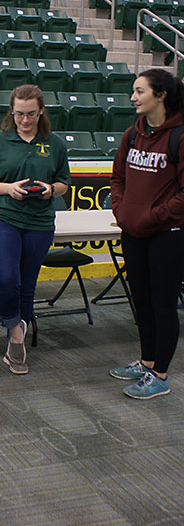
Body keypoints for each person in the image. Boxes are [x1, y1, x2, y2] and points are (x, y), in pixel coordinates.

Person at [0, 84, 71, 375]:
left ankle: (15, 340)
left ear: (41, 112)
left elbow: (64, 183)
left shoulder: (55, 144)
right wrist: (8, 189)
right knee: (6, 277)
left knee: (27, 284)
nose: (24, 121)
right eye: (18, 114)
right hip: (2, 216)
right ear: (11, 112)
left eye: (30, 114)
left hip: (39, 221)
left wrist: (50, 189)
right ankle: (16, 329)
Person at [109, 68, 184, 399]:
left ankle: (161, 375)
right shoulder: (132, 135)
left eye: (140, 91)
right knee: (141, 300)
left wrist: (153, 217)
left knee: (162, 302)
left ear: (161, 94)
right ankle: (146, 361)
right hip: (134, 230)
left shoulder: (180, 136)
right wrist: (122, 212)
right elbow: (118, 179)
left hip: (167, 233)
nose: (133, 97)